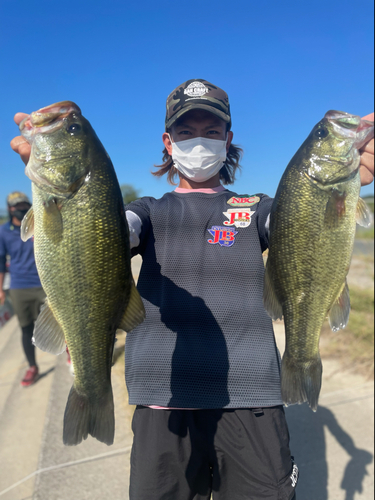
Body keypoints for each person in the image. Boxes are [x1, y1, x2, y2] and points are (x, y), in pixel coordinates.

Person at [10, 81, 374, 499]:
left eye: (211, 130)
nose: (198, 139)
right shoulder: (145, 211)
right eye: (185, 131)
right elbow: (113, 231)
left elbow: (294, 228)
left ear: (228, 139)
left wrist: (335, 192)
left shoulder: (257, 208)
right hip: (162, 396)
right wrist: (71, 198)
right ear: (168, 142)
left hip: (252, 395)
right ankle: (92, 396)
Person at [0, 191, 46, 386]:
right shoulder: (4, 231)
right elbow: (1, 261)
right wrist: (1, 289)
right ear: (10, 209)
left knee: (61, 324)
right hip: (19, 287)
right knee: (26, 329)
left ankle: (72, 360)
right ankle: (32, 366)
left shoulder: (41, 224)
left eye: (24, 205)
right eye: (16, 206)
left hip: (45, 284)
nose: (21, 209)